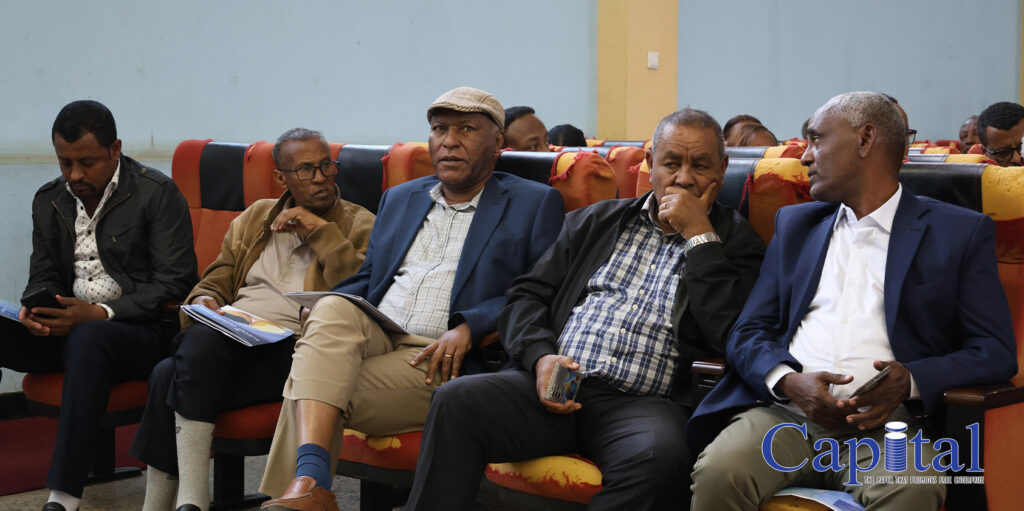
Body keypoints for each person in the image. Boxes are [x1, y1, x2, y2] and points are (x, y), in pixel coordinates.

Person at [406, 108, 766, 510]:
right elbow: (526, 296)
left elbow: (729, 331)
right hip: (558, 379)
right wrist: (540, 357)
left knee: (659, 460)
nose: (684, 178)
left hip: (642, 404)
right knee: (456, 401)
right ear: (650, 164)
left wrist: (700, 236)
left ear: (722, 169)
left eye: (700, 166)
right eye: (671, 164)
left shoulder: (738, 245)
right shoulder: (595, 222)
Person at [688, 91, 1017, 510]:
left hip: (885, 428)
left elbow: (994, 351)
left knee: (911, 487)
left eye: (817, 139)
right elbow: (748, 330)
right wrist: (787, 380)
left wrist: (910, 380)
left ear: (865, 140)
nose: (804, 156)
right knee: (720, 470)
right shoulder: (796, 225)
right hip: (786, 417)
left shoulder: (958, 232)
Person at [257, 87, 565, 511]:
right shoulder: (401, 198)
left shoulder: (533, 202)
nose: (449, 141)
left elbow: (539, 291)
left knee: (306, 386)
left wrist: (471, 325)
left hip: (441, 357)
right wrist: (322, 305)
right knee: (331, 308)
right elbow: (370, 277)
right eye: (439, 129)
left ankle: (308, 487)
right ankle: (311, 488)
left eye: (466, 129)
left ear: (497, 142)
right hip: (378, 331)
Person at [130, 128, 375, 511]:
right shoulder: (257, 217)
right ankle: (177, 505)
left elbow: (363, 291)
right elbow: (220, 274)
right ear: (281, 177)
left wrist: (320, 232)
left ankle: (190, 501)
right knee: (174, 367)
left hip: (298, 352)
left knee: (175, 367)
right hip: (235, 338)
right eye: (306, 170)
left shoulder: (361, 225)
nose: (321, 178)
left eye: (327, 166)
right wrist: (207, 298)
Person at [0, 100, 198, 511]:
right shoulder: (50, 199)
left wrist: (101, 313)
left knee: (90, 336)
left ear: (115, 149)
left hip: (142, 334)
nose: (74, 175)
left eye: (86, 163)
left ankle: (64, 494)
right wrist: (37, 309)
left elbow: (175, 283)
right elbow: (44, 273)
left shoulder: (156, 193)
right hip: (72, 328)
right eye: (65, 162)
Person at [977, 101, 1024, 166]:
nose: (1017, 159)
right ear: (985, 151)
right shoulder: (971, 170)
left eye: (1022, 147)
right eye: (1004, 153)